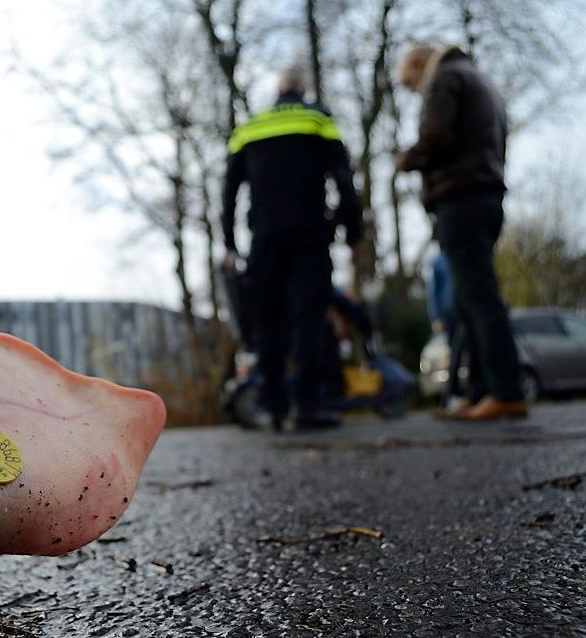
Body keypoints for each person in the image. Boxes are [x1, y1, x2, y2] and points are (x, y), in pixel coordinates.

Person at [223, 68, 363, 430]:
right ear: (303, 90)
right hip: (309, 234)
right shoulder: (318, 119)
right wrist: (353, 232)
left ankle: (272, 408)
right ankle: (308, 407)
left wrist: (228, 242)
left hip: (264, 239)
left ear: (277, 90)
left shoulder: (250, 126)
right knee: (310, 318)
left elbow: (229, 190)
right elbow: (344, 180)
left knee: (268, 323)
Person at [395, 45, 527, 421]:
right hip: (484, 196)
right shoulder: (477, 80)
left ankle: (506, 390)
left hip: (462, 197)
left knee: (478, 295)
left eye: (411, 83)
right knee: (471, 299)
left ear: (421, 65)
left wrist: (408, 159)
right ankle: (484, 391)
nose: (415, 92)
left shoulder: (446, 78)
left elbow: (436, 135)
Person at [426, 250, 466, 412]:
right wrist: (436, 317)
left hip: (468, 311)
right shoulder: (439, 261)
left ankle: (474, 394)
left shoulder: (464, 255)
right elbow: (433, 292)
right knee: (455, 355)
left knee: (471, 354)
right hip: (450, 314)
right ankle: (451, 396)